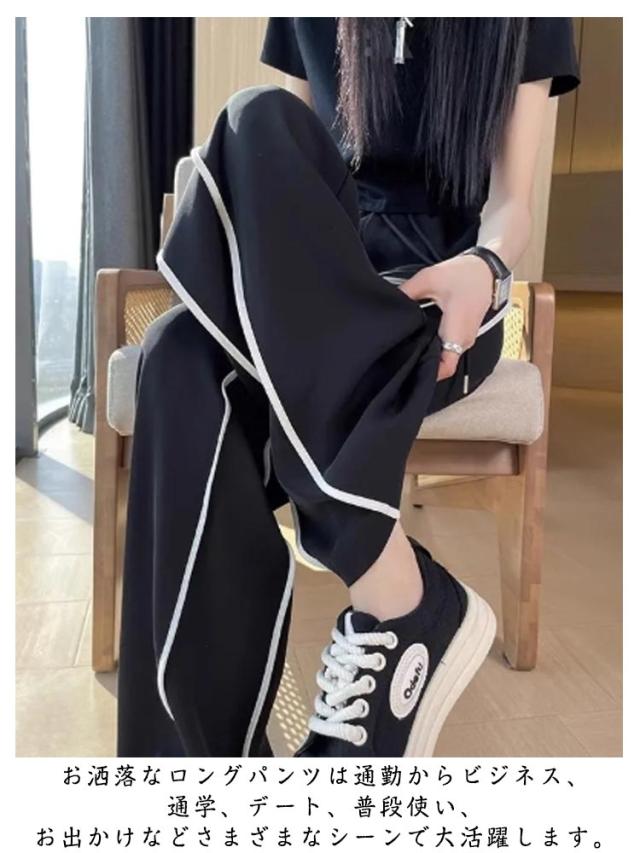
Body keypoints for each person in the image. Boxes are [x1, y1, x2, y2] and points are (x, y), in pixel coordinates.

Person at [117, 18, 579, 759]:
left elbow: (511, 203)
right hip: (324, 284)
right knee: (179, 341)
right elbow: (289, 173)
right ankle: (212, 766)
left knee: (185, 349)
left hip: (443, 293)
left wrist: (487, 264)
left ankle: (394, 593)